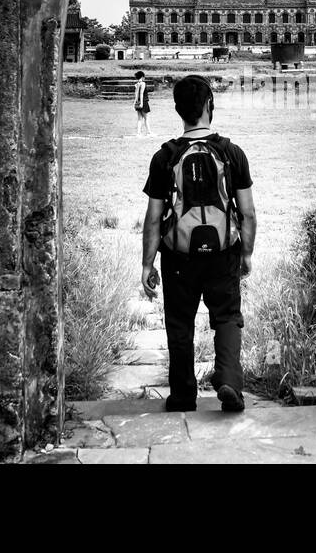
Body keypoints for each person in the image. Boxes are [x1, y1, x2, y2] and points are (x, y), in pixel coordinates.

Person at [140, 75, 256, 413]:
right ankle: (230, 381)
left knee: (179, 323)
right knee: (227, 317)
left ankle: (182, 396)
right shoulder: (232, 153)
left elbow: (153, 217)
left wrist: (147, 263)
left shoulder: (165, 157)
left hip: (179, 256)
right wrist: (245, 253)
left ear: (178, 110)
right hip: (223, 252)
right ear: (209, 106)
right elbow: (246, 212)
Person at [132, 71, 152, 136]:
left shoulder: (137, 84)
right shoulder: (143, 83)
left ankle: (138, 133)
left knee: (139, 119)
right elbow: (141, 94)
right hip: (144, 102)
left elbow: (136, 94)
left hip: (138, 102)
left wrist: (135, 103)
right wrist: (142, 103)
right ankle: (149, 132)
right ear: (142, 77)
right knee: (146, 118)